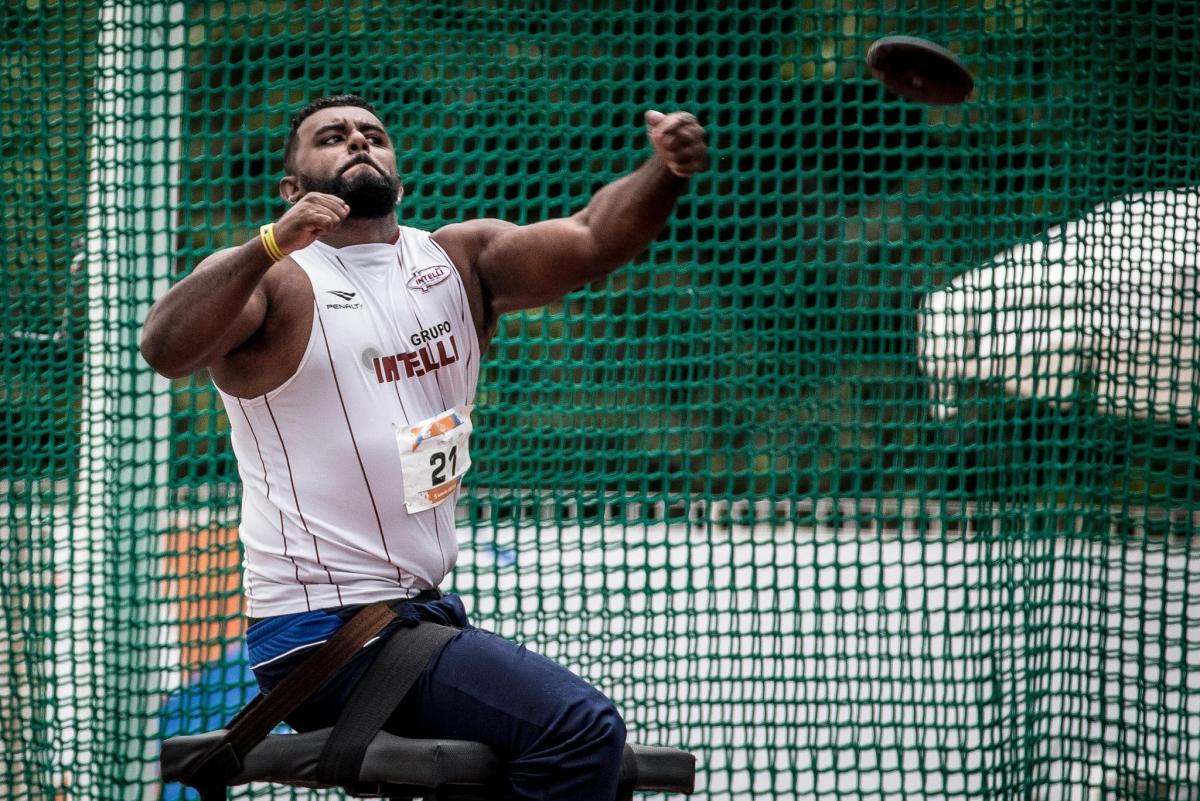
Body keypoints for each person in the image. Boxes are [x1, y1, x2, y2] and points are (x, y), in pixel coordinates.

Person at [139, 94, 707, 800]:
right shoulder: (276, 277)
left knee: (561, 758)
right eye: (333, 137)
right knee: (579, 727)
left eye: (373, 134)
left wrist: (666, 172)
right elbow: (164, 347)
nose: (358, 142)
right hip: (323, 637)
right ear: (291, 188)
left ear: (397, 173)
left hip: (417, 620)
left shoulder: (458, 262)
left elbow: (594, 237)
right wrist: (269, 242)